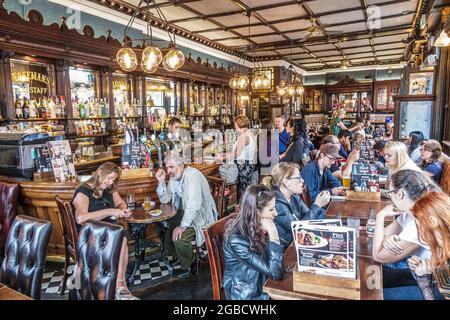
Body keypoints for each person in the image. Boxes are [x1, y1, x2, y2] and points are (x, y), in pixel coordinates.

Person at [72, 162, 138, 300]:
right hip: (90, 233)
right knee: (120, 236)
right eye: (108, 178)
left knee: (122, 235)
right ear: (100, 172)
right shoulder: (84, 190)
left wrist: (122, 209)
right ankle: (120, 286)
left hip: (109, 229)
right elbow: (81, 218)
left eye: (113, 179)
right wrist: (111, 211)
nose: (110, 182)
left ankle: (120, 284)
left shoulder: (109, 188)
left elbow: (120, 203)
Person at [372, 170, 440, 299]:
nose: (390, 197)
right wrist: (388, 239)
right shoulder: (411, 212)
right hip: (416, 272)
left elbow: (378, 255)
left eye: (390, 193)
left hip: (430, 286)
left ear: (400, 194)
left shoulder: (419, 223)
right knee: (370, 275)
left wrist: (380, 216)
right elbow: (384, 234)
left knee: (370, 288)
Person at [156, 153, 217, 278]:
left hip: (201, 215)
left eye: (171, 167)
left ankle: (190, 265)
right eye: (167, 168)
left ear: (181, 165)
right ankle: (180, 256)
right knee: (163, 227)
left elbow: (194, 204)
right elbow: (165, 199)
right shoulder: (174, 178)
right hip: (185, 212)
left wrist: (182, 226)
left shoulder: (192, 175)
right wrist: (161, 183)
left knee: (180, 236)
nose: (169, 171)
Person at [222, 184, 284, 300]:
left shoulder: (259, 225)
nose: (275, 213)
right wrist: (273, 234)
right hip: (247, 294)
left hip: (263, 281)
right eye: (271, 209)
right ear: (256, 212)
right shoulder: (237, 240)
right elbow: (275, 273)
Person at [262, 163, 330, 249]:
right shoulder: (276, 203)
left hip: (297, 244)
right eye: (298, 178)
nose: (302, 181)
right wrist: (317, 205)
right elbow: (297, 229)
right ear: (286, 182)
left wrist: (332, 224)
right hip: (285, 250)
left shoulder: (293, 196)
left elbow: (309, 219)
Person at [407, 191, 450, 300]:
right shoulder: (443, 247)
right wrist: (424, 270)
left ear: (433, 221)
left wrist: (424, 278)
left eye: (419, 225)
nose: (418, 232)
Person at [233, 115, 258, 197]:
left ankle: (244, 208)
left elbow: (236, 154)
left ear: (239, 123)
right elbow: (256, 150)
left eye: (235, 124)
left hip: (243, 166)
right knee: (247, 189)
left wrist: (221, 158)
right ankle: (247, 207)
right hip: (249, 165)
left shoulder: (244, 136)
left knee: (244, 190)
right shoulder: (249, 133)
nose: (234, 126)